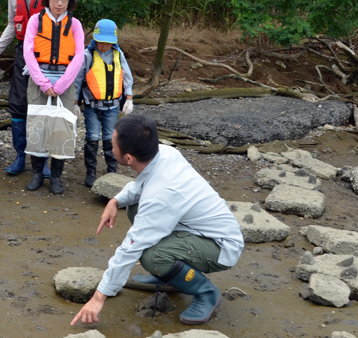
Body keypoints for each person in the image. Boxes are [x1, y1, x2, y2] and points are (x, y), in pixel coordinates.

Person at [70, 114, 244, 326]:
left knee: (153, 256)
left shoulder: (161, 196)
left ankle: (207, 293)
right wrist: (115, 201)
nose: (110, 147)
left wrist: (99, 297)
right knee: (134, 207)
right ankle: (170, 276)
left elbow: (130, 248)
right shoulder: (165, 153)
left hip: (220, 245)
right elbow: (139, 185)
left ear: (128, 158)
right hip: (193, 227)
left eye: (113, 145)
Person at [23, 0, 85, 194]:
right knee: (38, 127)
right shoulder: (35, 21)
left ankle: (56, 177)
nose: (60, 3)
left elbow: (79, 57)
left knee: (62, 129)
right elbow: (28, 53)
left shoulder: (75, 24)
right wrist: (42, 82)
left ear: (69, 2)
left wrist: (60, 86)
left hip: (64, 84)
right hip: (38, 80)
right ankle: (38, 174)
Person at [0, 0, 47, 176]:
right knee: (17, 104)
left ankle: (42, 159)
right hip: (22, 52)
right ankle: (20, 156)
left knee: (42, 106)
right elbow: (11, 24)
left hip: (44, 55)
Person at [75, 19, 134, 187]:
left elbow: (127, 77)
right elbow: (78, 80)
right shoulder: (87, 55)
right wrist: (74, 103)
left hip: (112, 106)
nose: (104, 46)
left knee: (110, 138)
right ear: (95, 39)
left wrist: (128, 98)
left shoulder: (118, 54)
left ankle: (112, 170)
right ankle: (91, 172)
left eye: (108, 43)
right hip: (91, 106)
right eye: (101, 42)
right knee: (92, 138)